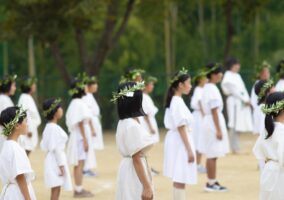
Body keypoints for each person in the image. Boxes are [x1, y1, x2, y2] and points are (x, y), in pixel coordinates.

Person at [113, 81, 154, 200]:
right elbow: (136, 157)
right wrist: (147, 186)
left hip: (128, 168)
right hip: (134, 171)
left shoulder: (124, 122)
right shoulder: (131, 125)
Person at [163, 68, 197, 200]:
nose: (190, 86)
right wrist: (189, 149)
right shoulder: (176, 101)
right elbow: (181, 126)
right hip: (180, 141)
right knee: (180, 176)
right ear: (180, 85)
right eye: (188, 83)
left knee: (179, 177)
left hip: (178, 140)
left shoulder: (177, 100)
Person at [201, 63, 229, 192]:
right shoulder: (211, 88)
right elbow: (213, 109)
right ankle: (211, 183)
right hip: (213, 121)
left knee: (213, 153)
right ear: (213, 75)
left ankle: (212, 180)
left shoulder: (208, 87)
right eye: (219, 72)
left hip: (211, 120)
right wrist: (218, 129)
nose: (221, 75)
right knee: (212, 153)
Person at [66, 78, 96, 198]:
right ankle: (78, 190)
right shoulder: (78, 103)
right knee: (80, 163)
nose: (85, 87)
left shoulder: (76, 102)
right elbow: (79, 122)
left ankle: (79, 187)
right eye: (83, 86)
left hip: (79, 135)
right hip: (80, 136)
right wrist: (84, 139)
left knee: (80, 163)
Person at [0, 106, 36, 200]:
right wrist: (28, 198)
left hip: (9, 193)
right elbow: (20, 176)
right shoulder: (15, 148)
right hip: (18, 194)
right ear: (17, 125)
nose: (27, 124)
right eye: (25, 121)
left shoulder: (7, 145)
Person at [253, 92, 284, 200]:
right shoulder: (281, 130)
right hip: (279, 173)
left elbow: (258, 151)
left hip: (268, 171)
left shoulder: (267, 129)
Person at [40, 98, 73, 200]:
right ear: (55, 112)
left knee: (56, 187)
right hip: (56, 161)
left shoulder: (49, 127)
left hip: (52, 159)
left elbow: (44, 145)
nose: (62, 110)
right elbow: (57, 149)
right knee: (56, 188)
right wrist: (61, 165)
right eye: (60, 108)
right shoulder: (53, 128)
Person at [221, 57, 253, 153]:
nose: (238, 66)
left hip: (240, 102)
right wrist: (244, 100)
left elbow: (242, 89)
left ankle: (236, 146)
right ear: (232, 66)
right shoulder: (228, 75)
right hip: (233, 101)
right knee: (233, 123)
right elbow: (234, 91)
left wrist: (247, 100)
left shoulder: (237, 76)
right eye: (236, 64)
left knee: (238, 123)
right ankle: (233, 147)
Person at [253, 80, 275, 171]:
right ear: (267, 92)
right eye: (272, 87)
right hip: (268, 148)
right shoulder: (263, 109)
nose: (275, 89)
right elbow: (265, 130)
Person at [140, 75, 160, 175]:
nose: (152, 86)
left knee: (148, 147)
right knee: (145, 146)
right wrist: (151, 127)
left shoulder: (146, 97)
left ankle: (147, 166)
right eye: (151, 84)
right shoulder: (143, 97)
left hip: (150, 122)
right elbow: (145, 113)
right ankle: (146, 168)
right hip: (146, 124)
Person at [18, 77, 41, 156]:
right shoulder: (25, 98)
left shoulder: (27, 97)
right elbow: (23, 114)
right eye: (33, 84)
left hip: (30, 129)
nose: (35, 86)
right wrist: (27, 130)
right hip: (28, 131)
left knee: (27, 152)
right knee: (25, 152)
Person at [190, 71, 207, 173]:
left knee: (199, 139)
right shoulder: (199, 89)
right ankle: (197, 164)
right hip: (199, 117)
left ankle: (198, 163)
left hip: (199, 116)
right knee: (198, 139)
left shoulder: (201, 89)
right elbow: (200, 102)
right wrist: (204, 114)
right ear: (200, 80)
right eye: (205, 78)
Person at [82, 75, 104, 151]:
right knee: (93, 145)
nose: (96, 88)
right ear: (89, 86)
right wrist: (92, 128)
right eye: (94, 86)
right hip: (91, 121)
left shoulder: (90, 95)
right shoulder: (85, 96)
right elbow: (88, 112)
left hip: (95, 120)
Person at [251, 61, 271, 135]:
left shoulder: (267, 83)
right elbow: (254, 100)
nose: (268, 74)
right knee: (262, 130)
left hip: (262, 108)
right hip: (260, 109)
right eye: (266, 72)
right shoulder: (259, 84)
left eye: (268, 72)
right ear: (261, 74)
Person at [0, 75, 17, 151]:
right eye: (13, 85)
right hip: (3, 134)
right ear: (7, 86)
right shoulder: (4, 100)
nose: (15, 88)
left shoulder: (4, 98)